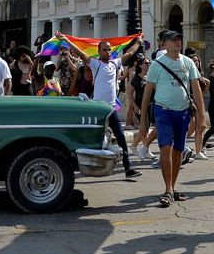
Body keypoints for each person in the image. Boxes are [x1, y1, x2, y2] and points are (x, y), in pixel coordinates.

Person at [138, 30, 205, 208]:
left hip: (183, 112)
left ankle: (172, 187)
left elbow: (196, 90)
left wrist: (202, 117)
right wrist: (143, 120)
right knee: (165, 148)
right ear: (164, 44)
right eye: (173, 40)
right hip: (163, 111)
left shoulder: (188, 62)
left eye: (179, 39)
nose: (177, 42)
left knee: (178, 151)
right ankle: (168, 189)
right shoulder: (157, 64)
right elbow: (147, 93)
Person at [61, 33, 143, 179]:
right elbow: (81, 53)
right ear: (99, 52)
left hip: (111, 109)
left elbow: (130, 53)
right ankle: (75, 166)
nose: (108, 52)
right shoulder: (96, 64)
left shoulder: (115, 63)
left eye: (109, 49)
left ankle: (128, 168)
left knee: (121, 138)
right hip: (98, 109)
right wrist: (66, 40)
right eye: (105, 50)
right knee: (92, 138)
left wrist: (138, 41)